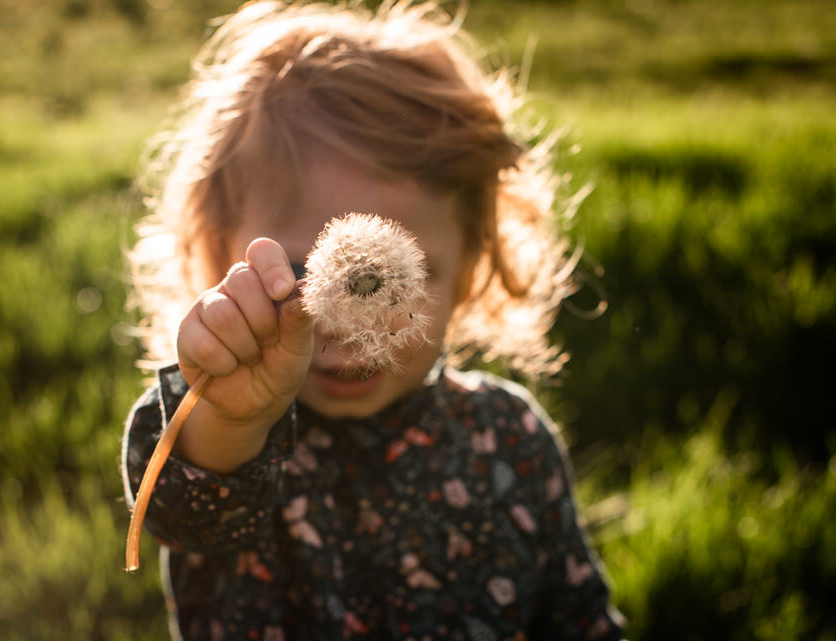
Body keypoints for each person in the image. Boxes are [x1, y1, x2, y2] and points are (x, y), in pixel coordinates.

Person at [122, 1, 626, 639]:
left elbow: (579, 621)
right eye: (304, 272)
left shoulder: (512, 442)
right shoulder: (232, 438)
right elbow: (179, 516)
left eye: (395, 280)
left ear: (470, 265)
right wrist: (229, 419)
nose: (347, 320)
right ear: (224, 253)